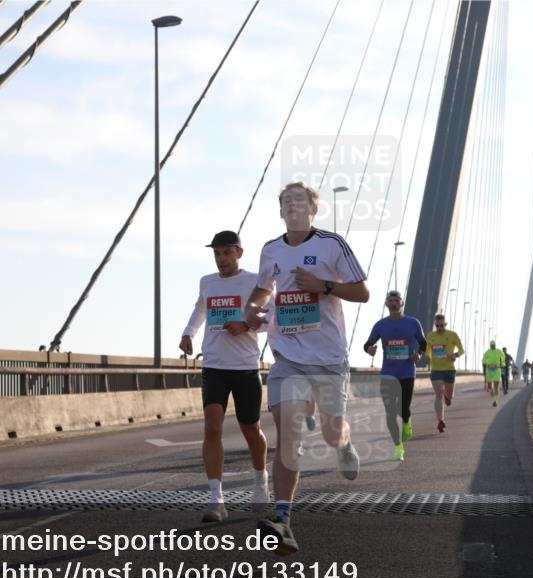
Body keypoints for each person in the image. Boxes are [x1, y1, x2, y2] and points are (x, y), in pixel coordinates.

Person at [243, 181, 369, 556]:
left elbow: (362, 292)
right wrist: (252, 310)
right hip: (288, 359)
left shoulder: (332, 245)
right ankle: (283, 521)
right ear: (281, 212)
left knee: (331, 431)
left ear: (313, 210)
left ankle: (343, 444)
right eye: (286, 202)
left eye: (300, 201)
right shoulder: (271, 250)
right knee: (290, 435)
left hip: (329, 360)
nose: (293, 206)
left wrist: (324, 286)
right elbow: (264, 290)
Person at [180, 231, 270, 522]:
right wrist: (188, 333)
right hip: (215, 366)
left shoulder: (255, 282)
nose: (221, 259)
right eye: (217, 254)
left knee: (251, 431)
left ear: (239, 253)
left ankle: (260, 480)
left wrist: (246, 324)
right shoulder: (207, 282)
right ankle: (216, 500)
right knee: (212, 428)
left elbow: (273, 318)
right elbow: (200, 309)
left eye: (227, 253)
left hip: (245, 367)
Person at [364, 290, 427, 462]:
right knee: (390, 412)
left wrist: (419, 354)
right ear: (386, 304)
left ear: (402, 303)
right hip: (387, 375)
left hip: (407, 373)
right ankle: (398, 446)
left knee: (403, 409)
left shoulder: (413, 323)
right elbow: (368, 344)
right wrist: (370, 349)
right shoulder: (380, 325)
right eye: (390, 301)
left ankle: (407, 421)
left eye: (396, 300)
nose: (393, 303)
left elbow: (423, 343)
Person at [426, 313, 464, 433]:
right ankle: (440, 421)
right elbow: (428, 351)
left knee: (449, 396)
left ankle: (447, 396)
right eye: (437, 326)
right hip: (436, 370)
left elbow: (462, 350)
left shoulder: (452, 335)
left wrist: (455, 355)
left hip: (449, 370)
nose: (439, 328)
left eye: (441, 325)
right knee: (438, 396)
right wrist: (428, 358)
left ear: (445, 324)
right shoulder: (431, 336)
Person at [482, 339, 506, 407]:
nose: (492, 346)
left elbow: (503, 356)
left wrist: (503, 363)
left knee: (496, 386)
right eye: (491, 345)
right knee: (490, 387)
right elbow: (483, 360)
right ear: (490, 345)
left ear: (495, 345)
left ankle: (495, 400)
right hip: (489, 370)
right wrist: (487, 364)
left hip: (497, 369)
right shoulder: (487, 352)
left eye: (494, 345)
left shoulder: (499, 351)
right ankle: (493, 398)